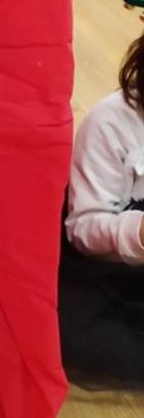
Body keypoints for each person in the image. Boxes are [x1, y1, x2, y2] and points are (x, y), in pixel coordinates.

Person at [59, 31, 144, 389]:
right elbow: (84, 229)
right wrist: (139, 232)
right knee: (86, 335)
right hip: (112, 270)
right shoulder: (112, 122)